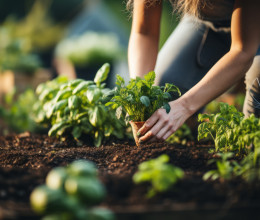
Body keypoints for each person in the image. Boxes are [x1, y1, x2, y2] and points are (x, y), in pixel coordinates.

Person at [127, 0, 260, 143]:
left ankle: (250, 156)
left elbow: (242, 51)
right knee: (166, 91)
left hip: (253, 33)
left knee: (256, 97)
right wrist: (139, 95)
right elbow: (144, 31)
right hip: (207, 23)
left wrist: (184, 106)